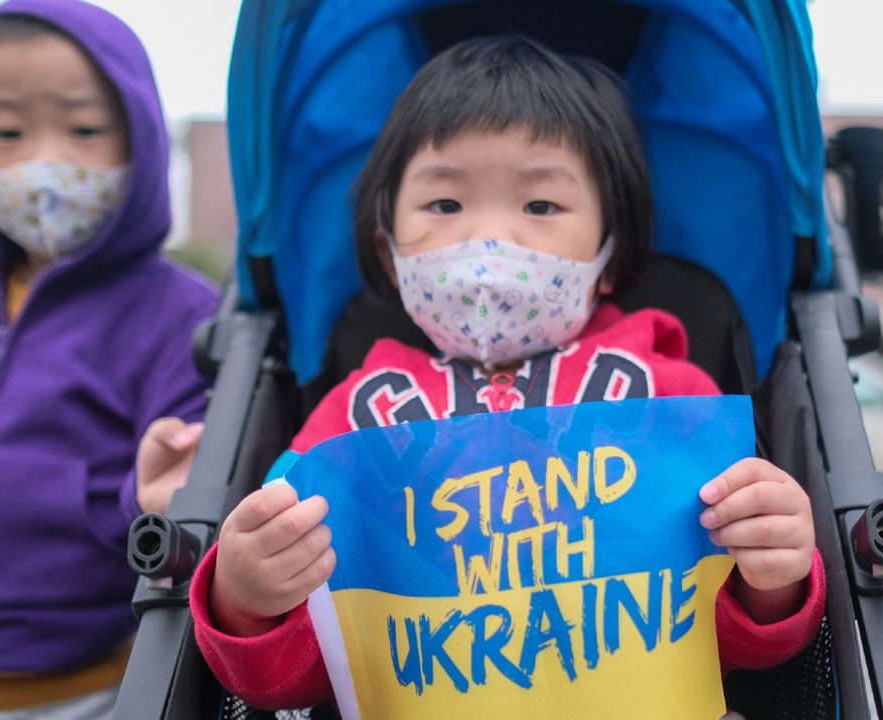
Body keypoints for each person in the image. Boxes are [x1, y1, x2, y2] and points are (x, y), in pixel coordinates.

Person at [141, 36, 826, 712]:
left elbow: (731, 648)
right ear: (388, 251)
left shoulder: (671, 402)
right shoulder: (352, 425)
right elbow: (298, 679)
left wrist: (773, 581)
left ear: (611, 256)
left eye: (540, 206)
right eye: (445, 206)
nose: (488, 240)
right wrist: (248, 600)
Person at [0, 1, 217, 717]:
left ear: (142, 141)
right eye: (6, 131)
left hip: (79, 692)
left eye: (84, 129)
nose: (45, 161)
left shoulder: (181, 315)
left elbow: (176, 502)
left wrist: (148, 503)